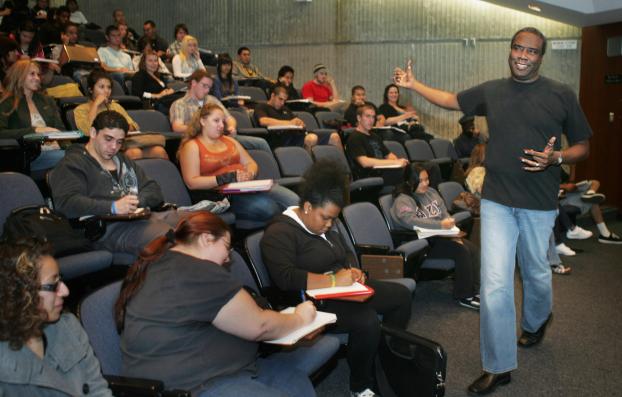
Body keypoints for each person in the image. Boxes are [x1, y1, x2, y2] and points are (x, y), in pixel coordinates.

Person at [394, 27, 592, 394]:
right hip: (498, 200)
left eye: (531, 51)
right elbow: (452, 100)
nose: (523, 55)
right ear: (510, 51)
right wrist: (414, 84)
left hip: (538, 204)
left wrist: (558, 157)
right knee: (496, 283)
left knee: (535, 274)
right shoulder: (493, 90)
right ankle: (498, 365)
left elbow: (584, 145)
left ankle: (536, 321)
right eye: (518, 48)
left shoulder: (561, 94)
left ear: (540, 57)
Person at [115, 211, 323, 397]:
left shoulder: (166, 263)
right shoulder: (197, 271)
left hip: (219, 373)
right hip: (191, 387)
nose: (227, 259)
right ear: (206, 239)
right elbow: (260, 326)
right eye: (226, 248)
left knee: (295, 382)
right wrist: (299, 318)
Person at [261, 160, 413, 397]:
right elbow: (286, 278)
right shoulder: (278, 232)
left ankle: (389, 357)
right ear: (308, 207)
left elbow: (346, 252)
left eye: (333, 219)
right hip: (314, 301)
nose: (330, 224)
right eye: (326, 218)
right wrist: (333, 282)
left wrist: (353, 270)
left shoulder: (325, 227)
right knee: (367, 321)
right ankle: (360, 384)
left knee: (401, 296)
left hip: (346, 289)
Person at [50, 110, 180, 256]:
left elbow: (153, 189)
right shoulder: (72, 163)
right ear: (93, 133)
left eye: (119, 142)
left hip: (139, 218)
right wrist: (113, 207)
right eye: (108, 139)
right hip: (105, 228)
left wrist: (135, 202)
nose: (114, 147)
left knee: (197, 226)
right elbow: (67, 203)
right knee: (173, 240)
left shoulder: (123, 160)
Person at [0, 238, 113, 396]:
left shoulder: (68, 327)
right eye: (53, 285)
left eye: (61, 280)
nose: (65, 291)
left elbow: (98, 390)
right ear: (22, 293)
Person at [178, 103, 299, 224]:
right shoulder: (192, 146)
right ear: (203, 121)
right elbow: (192, 182)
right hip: (224, 195)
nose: (221, 125)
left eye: (222, 121)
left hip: (248, 186)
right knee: (269, 208)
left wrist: (250, 173)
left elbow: (250, 163)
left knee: (295, 201)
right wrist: (227, 178)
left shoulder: (229, 140)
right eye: (216, 121)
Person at [391, 163, 480, 309]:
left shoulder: (431, 192)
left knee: (472, 248)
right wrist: (440, 225)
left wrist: (450, 227)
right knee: (461, 251)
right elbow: (410, 221)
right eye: (422, 180)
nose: (426, 183)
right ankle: (464, 295)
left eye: (427, 179)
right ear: (410, 181)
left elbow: (443, 213)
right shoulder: (403, 199)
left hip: (440, 237)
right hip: (422, 242)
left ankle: (476, 290)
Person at [74, 69, 168, 160]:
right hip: (103, 148)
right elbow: (87, 131)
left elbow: (134, 126)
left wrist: (122, 128)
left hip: (124, 143)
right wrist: (95, 105)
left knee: (159, 151)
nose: (106, 91)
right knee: (134, 153)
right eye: (101, 87)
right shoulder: (80, 109)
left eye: (109, 87)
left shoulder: (115, 106)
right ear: (90, 90)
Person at [169, 69, 271, 152]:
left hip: (223, 137)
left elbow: (229, 118)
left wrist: (231, 127)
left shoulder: (212, 99)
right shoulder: (180, 104)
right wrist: (203, 128)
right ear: (194, 83)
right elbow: (177, 127)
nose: (207, 90)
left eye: (209, 87)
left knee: (261, 143)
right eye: (204, 86)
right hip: (199, 141)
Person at [0, 59, 65, 173]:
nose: (37, 78)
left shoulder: (47, 100)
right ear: (19, 76)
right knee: (71, 158)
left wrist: (55, 135)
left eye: (38, 74)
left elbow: (61, 129)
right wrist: (35, 130)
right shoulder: (7, 103)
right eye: (32, 74)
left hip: (55, 149)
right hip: (28, 157)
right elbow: (1, 133)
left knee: (81, 154)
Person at [254, 85, 341, 151]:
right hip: (282, 139)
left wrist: (299, 122)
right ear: (272, 96)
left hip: (297, 135)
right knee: (311, 138)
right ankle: (310, 171)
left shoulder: (285, 109)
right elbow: (263, 121)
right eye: (280, 99)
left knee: (334, 137)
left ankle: (345, 172)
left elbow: (294, 121)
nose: (282, 103)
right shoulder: (262, 107)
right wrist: (290, 123)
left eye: (284, 100)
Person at [345, 103, 409, 184]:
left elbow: (389, 155)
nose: (371, 120)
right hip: (369, 175)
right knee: (405, 175)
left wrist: (398, 162)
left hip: (382, 172)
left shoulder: (375, 136)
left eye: (373, 117)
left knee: (411, 168)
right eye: (367, 116)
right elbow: (365, 162)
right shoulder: (355, 137)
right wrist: (394, 163)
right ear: (359, 118)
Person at [559, 168, 620, 244]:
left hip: (563, 194)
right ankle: (605, 234)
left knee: (594, 183)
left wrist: (573, 169)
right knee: (592, 200)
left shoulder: (556, 166)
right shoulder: (544, 167)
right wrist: (563, 187)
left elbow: (568, 181)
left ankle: (590, 193)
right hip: (556, 200)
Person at [131, 49, 179, 115]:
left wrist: (169, 90)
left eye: (155, 61)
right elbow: (138, 93)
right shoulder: (139, 75)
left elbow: (163, 90)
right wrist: (156, 95)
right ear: (144, 62)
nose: (153, 63)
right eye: (150, 61)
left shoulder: (159, 75)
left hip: (165, 100)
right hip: (153, 104)